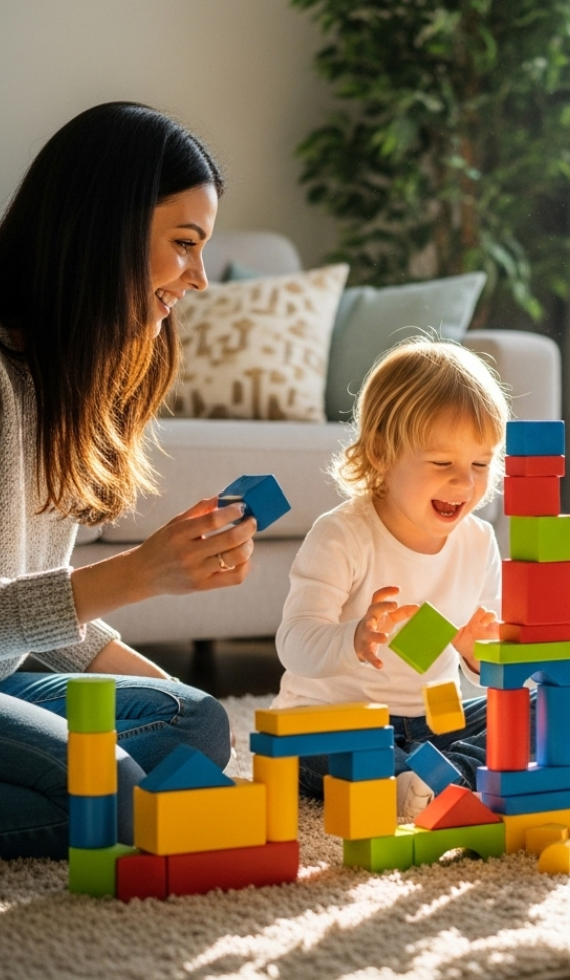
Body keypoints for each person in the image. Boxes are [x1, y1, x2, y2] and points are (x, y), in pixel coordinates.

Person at [0, 103, 259, 859]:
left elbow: (33, 608)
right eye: (184, 244)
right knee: (108, 795)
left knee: (196, 722)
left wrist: (174, 698)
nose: (199, 278)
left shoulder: (62, 380)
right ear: (105, 229)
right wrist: (139, 575)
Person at [274, 338, 570, 816]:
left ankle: (451, 775)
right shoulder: (342, 535)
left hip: (435, 722)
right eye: (443, 463)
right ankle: (407, 776)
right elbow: (294, 643)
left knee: (569, 708)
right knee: (313, 746)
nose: (464, 483)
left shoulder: (479, 541)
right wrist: (354, 639)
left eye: (481, 465)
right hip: (334, 718)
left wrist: (476, 655)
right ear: (382, 453)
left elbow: (490, 667)